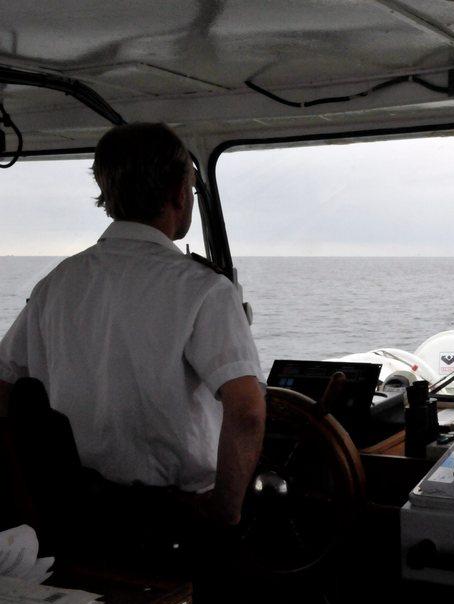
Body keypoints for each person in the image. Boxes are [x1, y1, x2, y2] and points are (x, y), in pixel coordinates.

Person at [0, 123, 266, 532]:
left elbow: (5, 385)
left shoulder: (57, 283)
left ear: (107, 195)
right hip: (175, 519)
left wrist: (30, 499)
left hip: (76, 513)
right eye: (193, 188)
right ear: (179, 192)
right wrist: (226, 512)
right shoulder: (203, 288)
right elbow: (247, 411)